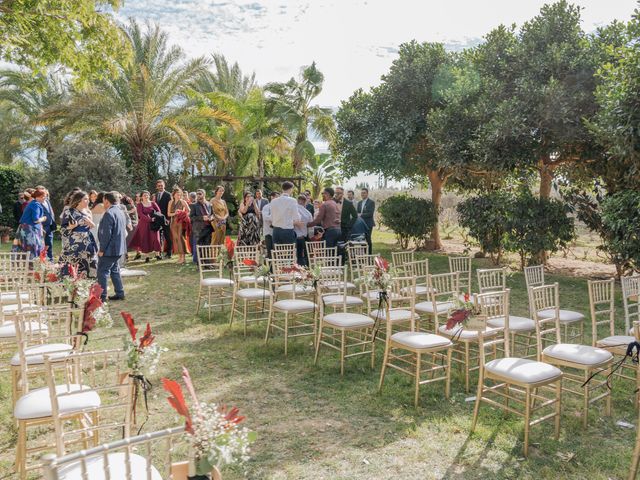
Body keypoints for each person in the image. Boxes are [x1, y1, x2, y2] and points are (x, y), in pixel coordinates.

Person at [59, 190, 98, 277]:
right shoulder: (69, 212)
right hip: (73, 243)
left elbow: (91, 226)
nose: (88, 201)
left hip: (87, 242)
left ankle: (88, 285)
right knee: (73, 265)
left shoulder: (88, 212)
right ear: (78, 200)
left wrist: (92, 224)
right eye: (85, 199)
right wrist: (71, 227)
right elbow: (62, 230)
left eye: (88, 199)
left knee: (90, 263)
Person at [97, 192, 127, 301]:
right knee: (114, 270)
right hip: (119, 248)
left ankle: (102, 296)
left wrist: (102, 249)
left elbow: (106, 235)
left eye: (103, 201)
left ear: (106, 201)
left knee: (102, 271)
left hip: (110, 249)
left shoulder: (109, 213)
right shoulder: (120, 211)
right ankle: (120, 293)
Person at [13, 188, 47, 259]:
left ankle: (30, 265)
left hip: (27, 228)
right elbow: (36, 220)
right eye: (44, 196)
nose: (45, 198)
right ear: (39, 197)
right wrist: (44, 218)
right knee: (31, 248)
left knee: (27, 248)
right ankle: (31, 266)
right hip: (30, 229)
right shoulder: (35, 205)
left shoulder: (33, 203)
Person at [129, 191, 162, 262]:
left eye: (147, 195)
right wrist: (150, 219)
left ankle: (157, 254)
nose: (146, 196)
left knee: (156, 239)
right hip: (144, 224)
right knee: (146, 239)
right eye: (144, 195)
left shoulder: (153, 203)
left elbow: (159, 211)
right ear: (141, 197)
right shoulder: (139, 205)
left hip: (154, 224)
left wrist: (155, 218)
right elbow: (140, 214)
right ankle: (147, 256)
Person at [269, 181, 300, 246]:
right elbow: (297, 217)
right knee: (289, 253)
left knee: (277, 253)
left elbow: (271, 217)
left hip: (276, 231)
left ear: (282, 189)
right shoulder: (292, 201)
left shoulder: (274, 201)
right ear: (291, 189)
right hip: (287, 231)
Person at [167, 187, 191, 264]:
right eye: (177, 194)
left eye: (180, 194)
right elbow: (168, 214)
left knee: (181, 238)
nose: (179, 196)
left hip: (181, 222)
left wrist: (183, 214)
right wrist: (175, 213)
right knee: (176, 239)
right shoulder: (170, 202)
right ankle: (179, 257)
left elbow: (189, 211)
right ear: (173, 195)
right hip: (173, 223)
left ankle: (183, 258)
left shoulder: (183, 202)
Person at [190, 189, 212, 262]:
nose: (198, 195)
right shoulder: (193, 205)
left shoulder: (209, 204)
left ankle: (207, 264)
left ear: (204, 194)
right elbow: (191, 218)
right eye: (197, 194)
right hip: (198, 229)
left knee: (207, 246)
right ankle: (200, 264)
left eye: (200, 194)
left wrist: (212, 217)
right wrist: (202, 218)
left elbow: (212, 214)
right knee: (199, 247)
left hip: (208, 228)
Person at [154, 179, 172, 258]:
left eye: (161, 185)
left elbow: (170, 207)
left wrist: (168, 218)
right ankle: (159, 253)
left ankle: (169, 253)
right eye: (159, 186)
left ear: (164, 185)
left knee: (167, 236)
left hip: (166, 219)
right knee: (158, 237)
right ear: (157, 187)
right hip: (158, 219)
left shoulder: (168, 194)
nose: (160, 187)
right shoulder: (156, 195)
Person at [37, 186, 56, 261]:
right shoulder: (37, 202)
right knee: (42, 246)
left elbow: (50, 212)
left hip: (50, 226)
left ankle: (50, 262)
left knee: (50, 245)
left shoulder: (47, 200)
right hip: (42, 227)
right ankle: (41, 262)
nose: (45, 194)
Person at [295, 195, 313, 265]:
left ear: (297, 201)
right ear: (305, 202)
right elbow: (311, 228)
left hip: (292, 236)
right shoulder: (308, 213)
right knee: (301, 255)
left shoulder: (293, 210)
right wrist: (310, 238)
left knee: (293, 255)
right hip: (302, 237)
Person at [357, 187, 376, 253]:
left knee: (368, 239)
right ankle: (363, 255)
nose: (362, 194)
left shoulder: (371, 202)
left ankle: (369, 255)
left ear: (367, 194)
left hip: (368, 224)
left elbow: (370, 214)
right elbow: (357, 213)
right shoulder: (359, 203)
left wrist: (361, 215)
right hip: (361, 224)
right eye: (362, 193)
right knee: (362, 239)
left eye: (364, 193)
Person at [261, 191, 279, 258]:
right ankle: (270, 266)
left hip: (277, 231)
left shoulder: (279, 207)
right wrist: (275, 218)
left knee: (277, 250)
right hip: (269, 231)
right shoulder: (266, 207)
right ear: (272, 197)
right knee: (270, 250)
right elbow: (265, 217)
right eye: (277, 197)